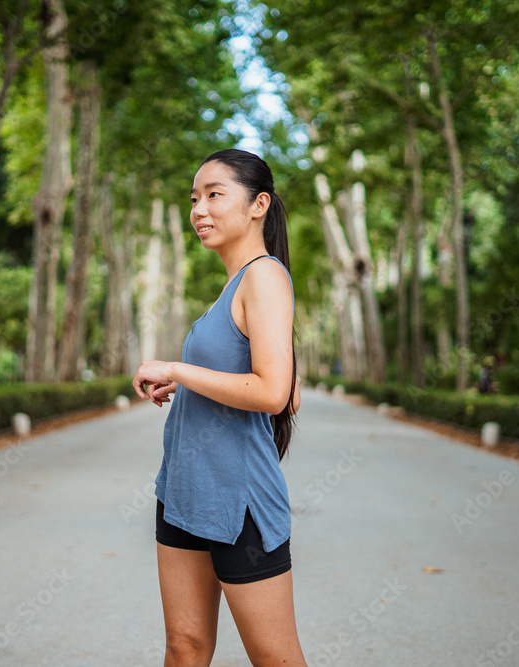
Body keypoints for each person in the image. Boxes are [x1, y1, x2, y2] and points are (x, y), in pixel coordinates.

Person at [132, 148, 307, 667]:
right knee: (185, 648)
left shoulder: (265, 277)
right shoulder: (232, 286)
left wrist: (178, 370)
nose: (199, 210)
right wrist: (189, 392)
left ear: (258, 205)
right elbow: (288, 388)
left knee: (275, 657)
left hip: (240, 504)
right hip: (185, 494)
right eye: (193, 198)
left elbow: (276, 394)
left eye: (214, 195)